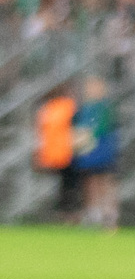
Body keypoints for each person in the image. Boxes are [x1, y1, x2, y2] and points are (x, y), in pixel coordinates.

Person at [72, 75, 119, 230]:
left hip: (103, 150)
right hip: (88, 151)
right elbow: (80, 129)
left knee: (105, 181)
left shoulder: (104, 108)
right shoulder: (85, 108)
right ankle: (93, 213)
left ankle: (110, 214)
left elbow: (100, 129)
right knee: (90, 181)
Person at [34, 86, 78, 218]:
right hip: (67, 152)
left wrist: (39, 153)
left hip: (53, 153)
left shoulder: (46, 109)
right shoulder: (68, 107)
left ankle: (65, 213)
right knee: (68, 185)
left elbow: (40, 134)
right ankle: (69, 213)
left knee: (64, 185)